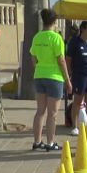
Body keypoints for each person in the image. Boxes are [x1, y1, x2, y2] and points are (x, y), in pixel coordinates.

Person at [29, 9, 72, 151]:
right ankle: (51, 142)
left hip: (39, 75)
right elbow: (61, 60)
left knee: (40, 111)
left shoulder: (37, 37)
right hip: (54, 77)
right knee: (52, 113)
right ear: (54, 22)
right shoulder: (56, 38)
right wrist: (67, 79)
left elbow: (33, 57)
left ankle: (37, 141)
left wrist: (38, 68)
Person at [66, 21, 87, 136]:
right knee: (78, 101)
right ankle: (75, 127)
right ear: (83, 29)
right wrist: (69, 74)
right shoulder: (74, 42)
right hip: (80, 75)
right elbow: (68, 59)